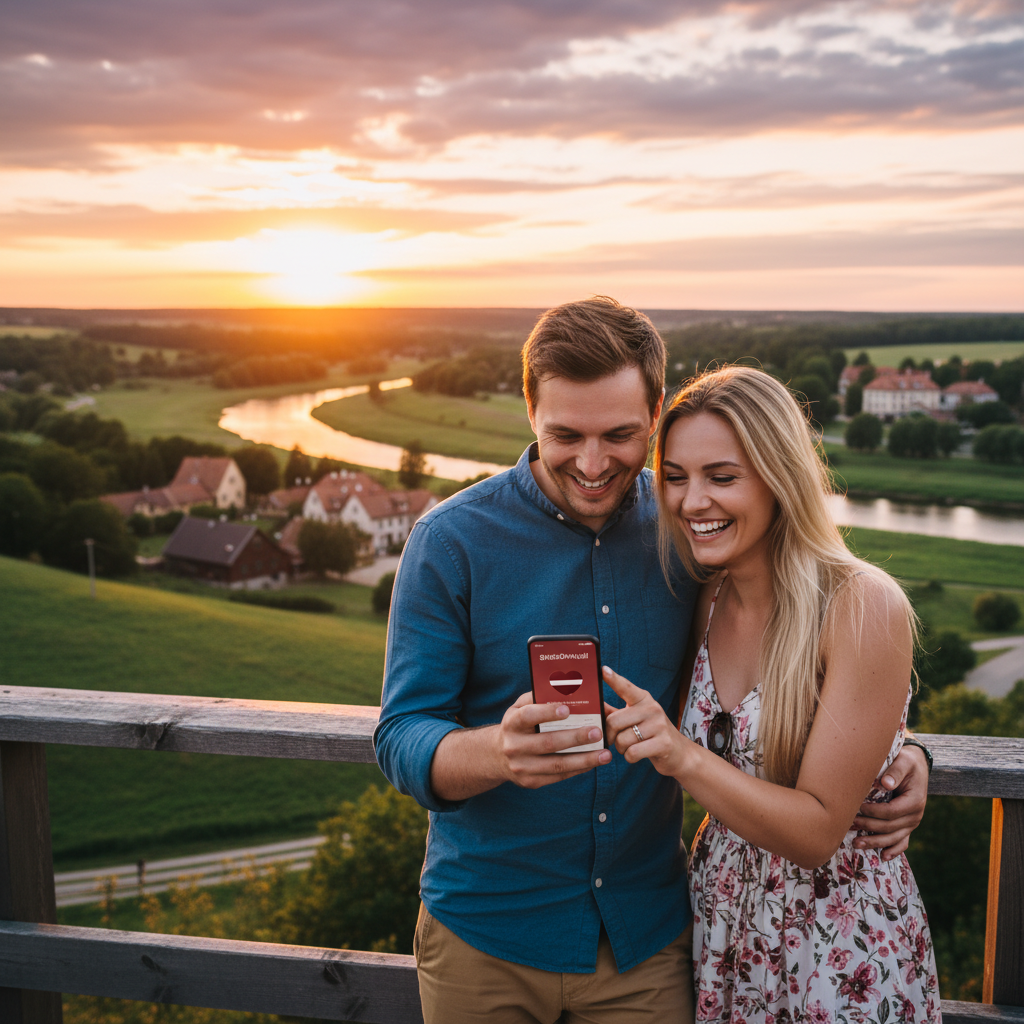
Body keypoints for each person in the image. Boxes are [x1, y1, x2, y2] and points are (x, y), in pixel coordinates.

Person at [374, 299, 931, 1024]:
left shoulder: (691, 536)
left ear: (657, 411)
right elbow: (400, 734)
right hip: (488, 933)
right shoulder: (449, 542)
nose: (594, 463)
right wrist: (494, 753)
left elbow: (807, 661)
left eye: (622, 435)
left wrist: (907, 753)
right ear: (529, 411)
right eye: (564, 435)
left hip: (652, 939)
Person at [602, 365, 940, 1022]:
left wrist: (679, 754)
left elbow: (817, 831)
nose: (692, 501)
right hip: (723, 928)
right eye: (675, 477)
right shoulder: (708, 597)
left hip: (835, 943)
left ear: (779, 474)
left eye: (721, 477)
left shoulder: (860, 604)